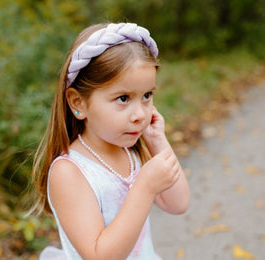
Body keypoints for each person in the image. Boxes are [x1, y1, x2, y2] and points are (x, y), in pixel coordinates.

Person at [32, 22, 190, 259]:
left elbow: (178, 203)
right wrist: (144, 187)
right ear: (78, 103)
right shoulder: (70, 171)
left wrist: (158, 142)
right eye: (123, 98)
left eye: (147, 96)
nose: (139, 114)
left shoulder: (131, 151)